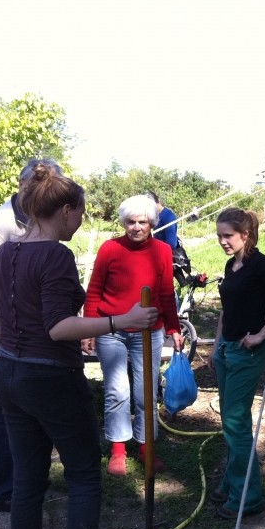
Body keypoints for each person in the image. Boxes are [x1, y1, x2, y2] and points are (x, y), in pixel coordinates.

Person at [0, 163, 158, 529]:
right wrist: (122, 320)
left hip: (8, 372)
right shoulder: (55, 256)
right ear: (65, 211)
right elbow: (59, 328)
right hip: (50, 379)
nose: (80, 219)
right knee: (82, 474)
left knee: (27, 477)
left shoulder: (4, 252)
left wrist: (17, 339)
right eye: (80, 211)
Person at [0, 158, 63, 516]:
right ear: (21, 185)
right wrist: (7, 334)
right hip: (0, 332)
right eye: (37, 186)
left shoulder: (38, 218)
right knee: (2, 408)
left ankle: (24, 484)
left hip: (24, 333)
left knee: (24, 408)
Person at [82, 194, 183, 476]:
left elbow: (166, 293)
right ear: (123, 222)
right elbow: (94, 290)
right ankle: (117, 449)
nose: (136, 227)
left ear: (151, 223)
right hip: (110, 328)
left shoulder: (162, 251)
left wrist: (173, 328)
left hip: (149, 330)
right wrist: (90, 328)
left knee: (145, 391)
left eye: (142, 222)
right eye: (131, 222)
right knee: (116, 390)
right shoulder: (110, 249)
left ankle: (145, 446)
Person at [209, 208, 265, 520]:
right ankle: (232, 483)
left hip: (246, 353)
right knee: (230, 423)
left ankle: (249, 496)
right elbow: (226, 308)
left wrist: (260, 335)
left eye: (228, 235)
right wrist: (216, 344)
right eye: (219, 235)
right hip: (226, 350)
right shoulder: (231, 266)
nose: (222, 241)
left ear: (246, 235)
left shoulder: (262, 265)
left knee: (236, 423)